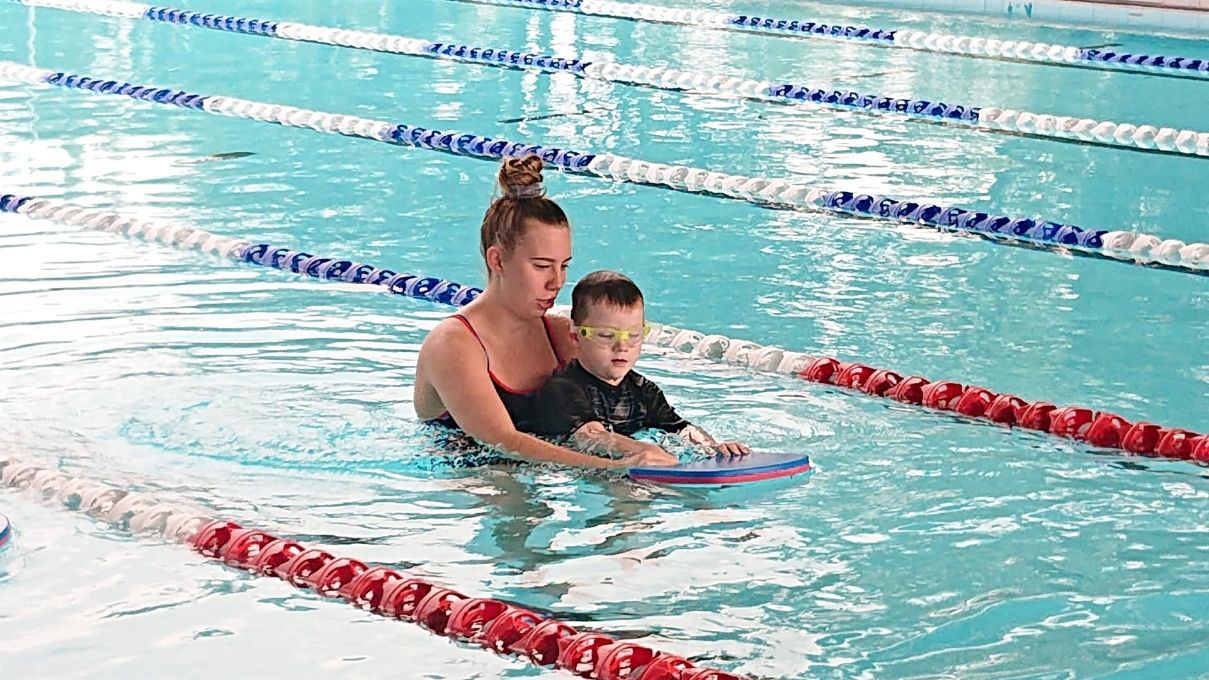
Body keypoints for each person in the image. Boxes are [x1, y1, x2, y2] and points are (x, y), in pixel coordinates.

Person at [413, 156, 678, 469]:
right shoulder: (453, 344)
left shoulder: (561, 336)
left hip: (547, 471)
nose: (557, 282)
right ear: (497, 261)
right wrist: (621, 467)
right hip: (470, 481)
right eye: (541, 266)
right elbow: (504, 441)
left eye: (563, 266)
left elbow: (624, 409)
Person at [531, 270, 751, 459]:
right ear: (576, 336)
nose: (622, 346)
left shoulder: (643, 390)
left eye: (634, 335)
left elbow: (681, 429)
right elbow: (590, 437)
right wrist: (645, 451)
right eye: (607, 335)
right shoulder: (564, 388)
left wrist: (712, 448)